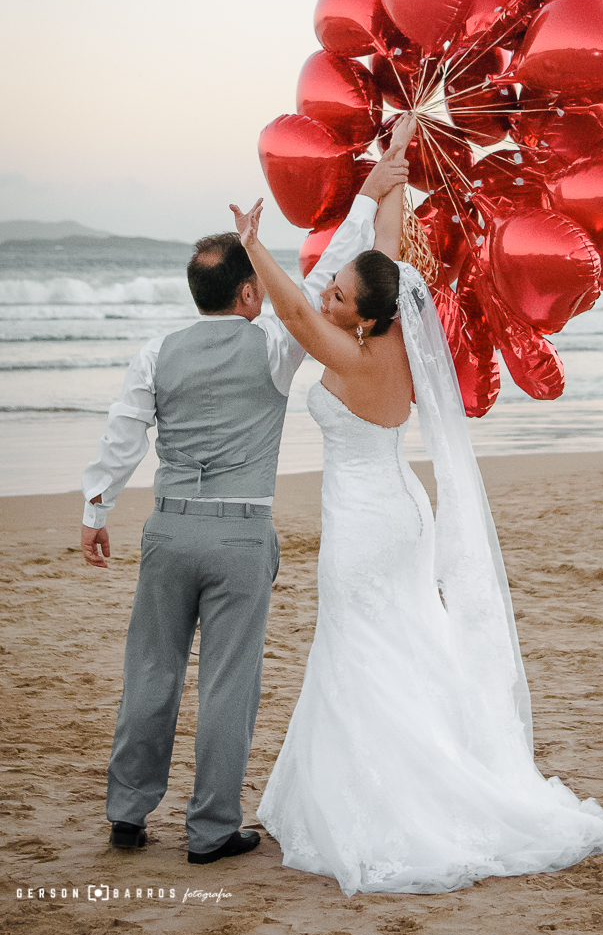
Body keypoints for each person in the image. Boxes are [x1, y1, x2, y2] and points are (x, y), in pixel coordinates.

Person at [230, 112, 603, 897]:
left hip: (368, 526)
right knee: (403, 642)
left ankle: (395, 798)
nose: (327, 293)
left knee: (360, 650)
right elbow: (391, 249)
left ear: (361, 316)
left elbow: (296, 316)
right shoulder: (390, 331)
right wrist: (394, 165)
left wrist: (252, 249)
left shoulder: (354, 352)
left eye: (338, 291)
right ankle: (421, 769)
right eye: (331, 288)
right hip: (399, 513)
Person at [78, 144, 409, 865]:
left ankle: (128, 814)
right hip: (239, 539)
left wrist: (96, 510)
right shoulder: (271, 348)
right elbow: (320, 283)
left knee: (151, 672)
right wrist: (368, 195)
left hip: (168, 531)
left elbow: (123, 433)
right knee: (229, 683)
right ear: (250, 294)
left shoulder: (156, 353)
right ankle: (209, 831)